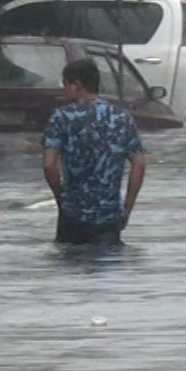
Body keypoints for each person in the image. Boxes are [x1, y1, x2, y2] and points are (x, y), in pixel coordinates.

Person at [42, 58, 146, 246]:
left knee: (68, 268)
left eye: (65, 85)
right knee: (107, 268)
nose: (64, 91)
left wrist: (61, 200)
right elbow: (139, 164)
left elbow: (49, 165)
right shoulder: (122, 117)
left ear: (76, 85)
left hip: (72, 215)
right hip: (108, 216)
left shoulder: (61, 117)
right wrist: (126, 210)